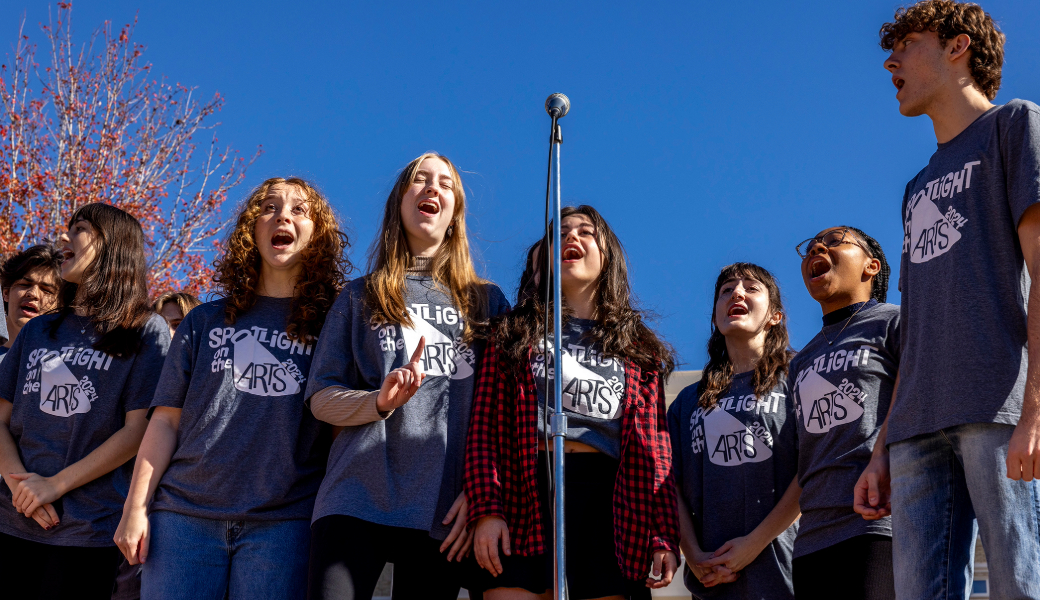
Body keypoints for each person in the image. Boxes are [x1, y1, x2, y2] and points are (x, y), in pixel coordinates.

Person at [855, 2, 1040, 598]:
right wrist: (881, 446)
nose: (891, 60)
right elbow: (919, 323)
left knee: (1019, 585)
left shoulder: (1015, 124)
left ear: (958, 47)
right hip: (913, 430)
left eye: (907, 43)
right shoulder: (915, 189)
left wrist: (1035, 411)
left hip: (997, 406)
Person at [111, 177, 349, 600]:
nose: (283, 216)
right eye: (269, 207)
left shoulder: (333, 327)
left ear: (319, 235)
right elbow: (164, 423)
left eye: (299, 210)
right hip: (183, 518)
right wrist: (135, 508)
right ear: (250, 230)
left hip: (284, 525)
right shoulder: (203, 321)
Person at [305, 152, 510, 600]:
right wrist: (377, 401)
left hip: (444, 507)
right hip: (354, 496)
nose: (432, 188)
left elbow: (506, 414)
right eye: (419, 179)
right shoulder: (361, 293)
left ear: (455, 213)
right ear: (399, 202)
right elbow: (320, 397)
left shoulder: (489, 303)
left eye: (445, 183)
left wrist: (483, 493)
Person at [466, 205, 679, 600]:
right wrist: (487, 508)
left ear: (608, 255)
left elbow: (656, 450)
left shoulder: (639, 350)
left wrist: (663, 533)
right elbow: (485, 431)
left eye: (585, 232)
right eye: (560, 233)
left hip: (611, 502)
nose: (571, 238)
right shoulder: (511, 333)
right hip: (523, 489)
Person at [0, 203, 171, 599]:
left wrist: (54, 487)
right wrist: (21, 487)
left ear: (112, 245)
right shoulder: (40, 328)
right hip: (11, 519)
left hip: (87, 531)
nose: (63, 237)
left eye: (78, 228)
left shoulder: (147, 330)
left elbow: (137, 432)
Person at [668, 262, 800, 600]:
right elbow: (671, 485)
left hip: (786, 573)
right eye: (726, 290)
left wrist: (752, 545)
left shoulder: (798, 378)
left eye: (752, 288)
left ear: (776, 316)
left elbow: (813, 470)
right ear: (715, 316)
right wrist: (693, 555)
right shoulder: (686, 403)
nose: (737, 293)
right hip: (714, 579)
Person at [790, 227, 897, 600]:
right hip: (811, 538)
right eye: (810, 247)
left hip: (877, 523)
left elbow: (918, 395)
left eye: (836, 240)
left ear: (872, 266)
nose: (817, 247)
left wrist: (882, 457)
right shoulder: (800, 360)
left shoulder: (894, 321)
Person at [0, 244, 64, 360]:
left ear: (60, 305)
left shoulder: (65, 364)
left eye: (46, 290)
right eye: (24, 285)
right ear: (5, 293)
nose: (33, 294)